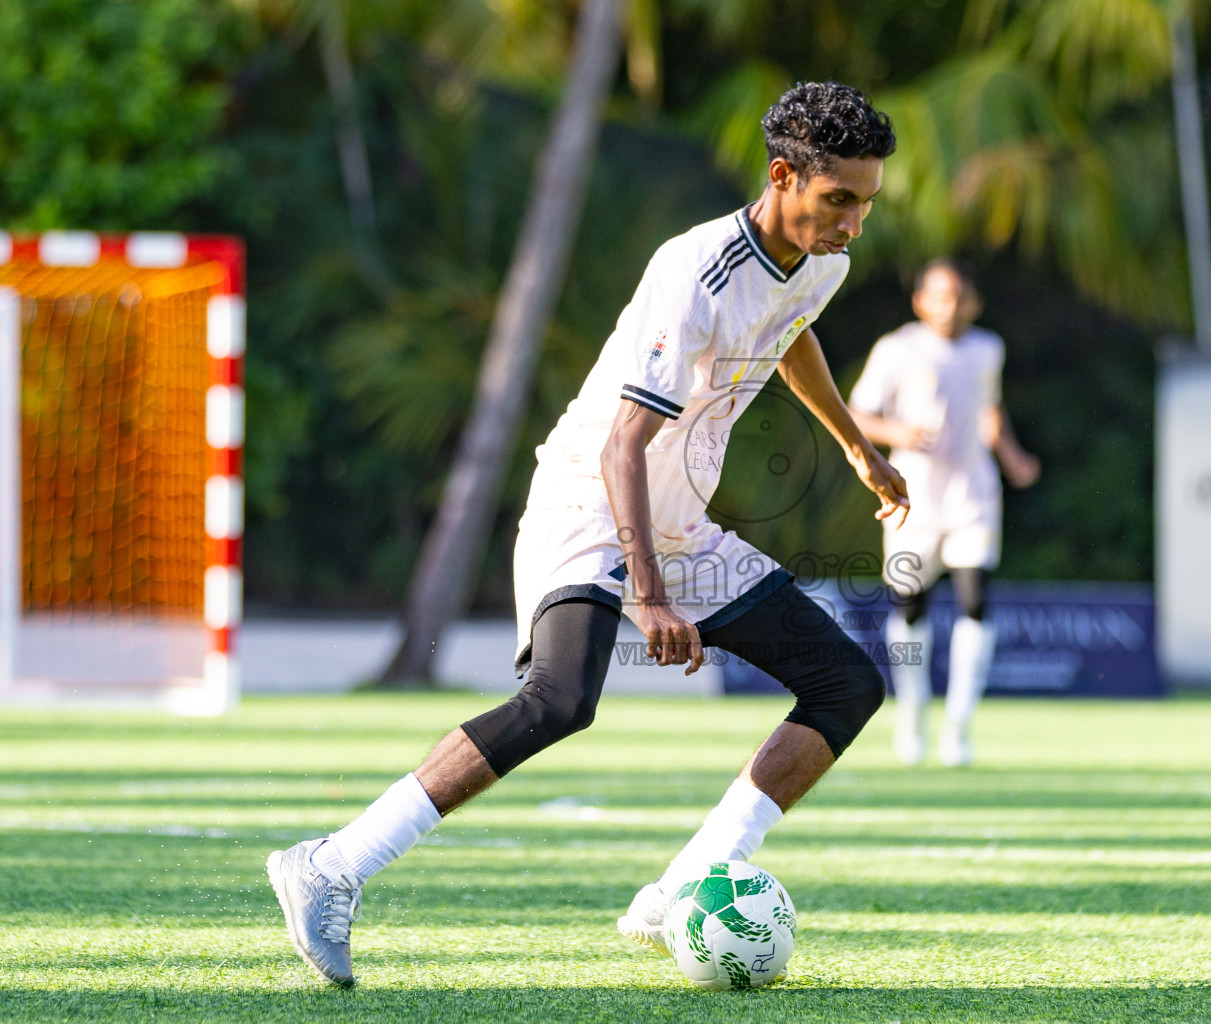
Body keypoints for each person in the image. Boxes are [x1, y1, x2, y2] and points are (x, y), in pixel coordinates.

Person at [265, 82, 906, 987]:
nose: (854, 223)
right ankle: (329, 866)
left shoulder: (822, 262)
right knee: (560, 699)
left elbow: (791, 328)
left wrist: (854, 448)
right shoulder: (693, 271)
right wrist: (647, 594)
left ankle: (683, 888)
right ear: (782, 176)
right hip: (592, 501)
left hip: (678, 518)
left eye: (868, 203)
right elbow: (622, 444)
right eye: (839, 199)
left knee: (845, 683)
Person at [847, 261, 1039, 767]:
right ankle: (912, 712)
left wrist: (1012, 456)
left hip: (973, 496)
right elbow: (856, 412)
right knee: (910, 607)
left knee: (975, 600)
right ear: (920, 302)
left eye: (959, 297)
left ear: (973, 303)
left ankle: (959, 726)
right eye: (940, 296)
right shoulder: (896, 349)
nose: (949, 307)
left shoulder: (987, 349)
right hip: (911, 499)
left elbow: (988, 409)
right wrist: (899, 434)